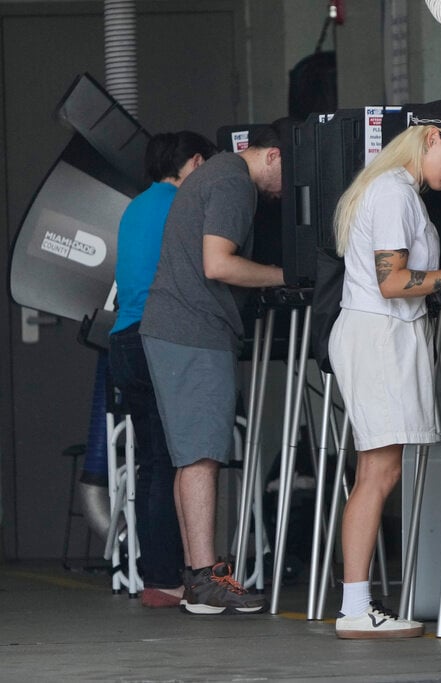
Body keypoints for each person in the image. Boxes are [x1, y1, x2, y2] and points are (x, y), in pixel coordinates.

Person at [140, 120, 288, 615]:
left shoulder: (215, 174)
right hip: (193, 330)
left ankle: (199, 575)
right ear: (272, 156)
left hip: (173, 328)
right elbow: (218, 264)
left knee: (190, 456)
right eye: (290, 173)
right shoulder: (232, 182)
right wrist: (281, 276)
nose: (286, 191)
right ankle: (206, 580)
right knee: (203, 454)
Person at [328, 118, 441, 639]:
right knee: (377, 475)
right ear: (432, 139)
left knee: (378, 472)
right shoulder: (392, 193)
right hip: (380, 335)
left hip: (383, 335)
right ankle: (356, 609)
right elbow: (393, 281)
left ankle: (358, 605)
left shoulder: (397, 190)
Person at [109, 131, 218, 609]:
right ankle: (180, 576)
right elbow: (208, 267)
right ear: (194, 163)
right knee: (179, 461)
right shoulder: (181, 206)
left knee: (153, 459)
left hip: (123, 340)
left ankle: (160, 578)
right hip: (159, 337)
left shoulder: (136, 206)